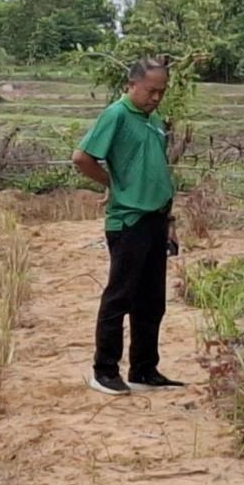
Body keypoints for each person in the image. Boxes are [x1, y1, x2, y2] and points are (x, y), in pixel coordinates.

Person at [72, 58, 185, 396]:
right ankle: (104, 370)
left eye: (161, 92)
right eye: (151, 91)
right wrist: (113, 184)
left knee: (152, 301)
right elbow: (82, 158)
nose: (156, 98)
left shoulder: (153, 121)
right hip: (129, 220)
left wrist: (170, 220)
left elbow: (156, 172)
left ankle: (144, 369)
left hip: (156, 218)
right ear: (132, 85)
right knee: (120, 296)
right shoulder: (117, 115)